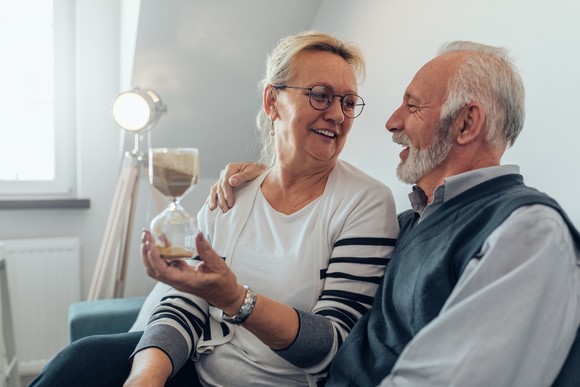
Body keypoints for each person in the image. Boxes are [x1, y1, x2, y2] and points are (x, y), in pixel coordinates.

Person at [31, 30, 399, 387]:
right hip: (198, 367)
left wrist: (235, 298)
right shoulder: (233, 192)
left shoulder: (365, 202)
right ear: (273, 102)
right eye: (320, 95)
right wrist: (147, 376)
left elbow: (334, 345)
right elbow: (186, 302)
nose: (337, 114)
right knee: (80, 360)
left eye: (348, 102)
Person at [209, 41, 580, 386]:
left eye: (412, 106)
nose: (392, 122)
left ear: (466, 123)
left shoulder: (528, 229)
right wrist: (268, 179)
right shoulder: (409, 223)